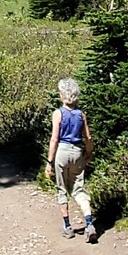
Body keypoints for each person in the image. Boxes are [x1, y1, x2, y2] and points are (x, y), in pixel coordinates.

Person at [47, 77, 96, 241]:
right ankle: (89, 223)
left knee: (62, 189)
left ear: (62, 96)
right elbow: (88, 137)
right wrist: (88, 153)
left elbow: (54, 139)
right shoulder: (81, 115)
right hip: (77, 152)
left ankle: (68, 227)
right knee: (78, 189)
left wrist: (49, 162)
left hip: (62, 151)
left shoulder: (58, 113)